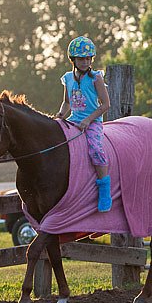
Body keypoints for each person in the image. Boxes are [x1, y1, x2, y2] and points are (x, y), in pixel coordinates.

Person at [55, 36, 112, 212]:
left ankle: (104, 188)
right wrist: (60, 115)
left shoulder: (96, 78)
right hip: (74, 119)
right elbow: (67, 102)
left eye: (88, 58)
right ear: (73, 60)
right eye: (81, 58)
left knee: (95, 148)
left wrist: (89, 119)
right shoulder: (68, 79)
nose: (85, 62)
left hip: (92, 121)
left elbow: (105, 104)